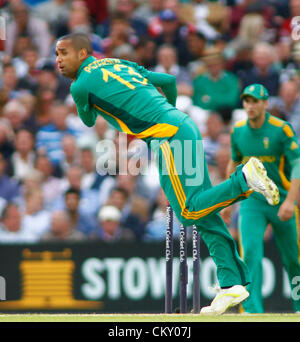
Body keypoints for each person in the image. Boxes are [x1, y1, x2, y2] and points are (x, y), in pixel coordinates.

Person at [55, 33, 280, 315]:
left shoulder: (80, 85)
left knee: (187, 210)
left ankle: (243, 180)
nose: (58, 60)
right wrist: (169, 114)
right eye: (56, 54)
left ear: (82, 53)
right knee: (203, 210)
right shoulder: (118, 63)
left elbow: (88, 120)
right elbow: (169, 82)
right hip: (181, 125)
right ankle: (231, 283)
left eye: (64, 53)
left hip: (169, 136)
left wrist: (80, 94)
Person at [225, 83, 300, 313]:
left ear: (265, 103)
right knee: (250, 254)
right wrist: (227, 200)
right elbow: (234, 163)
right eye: (247, 101)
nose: (250, 106)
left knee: (294, 258)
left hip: (282, 201)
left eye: (255, 101)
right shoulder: (237, 131)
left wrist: (290, 201)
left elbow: (297, 163)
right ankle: (251, 312)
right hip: (252, 202)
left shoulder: (281, 129)